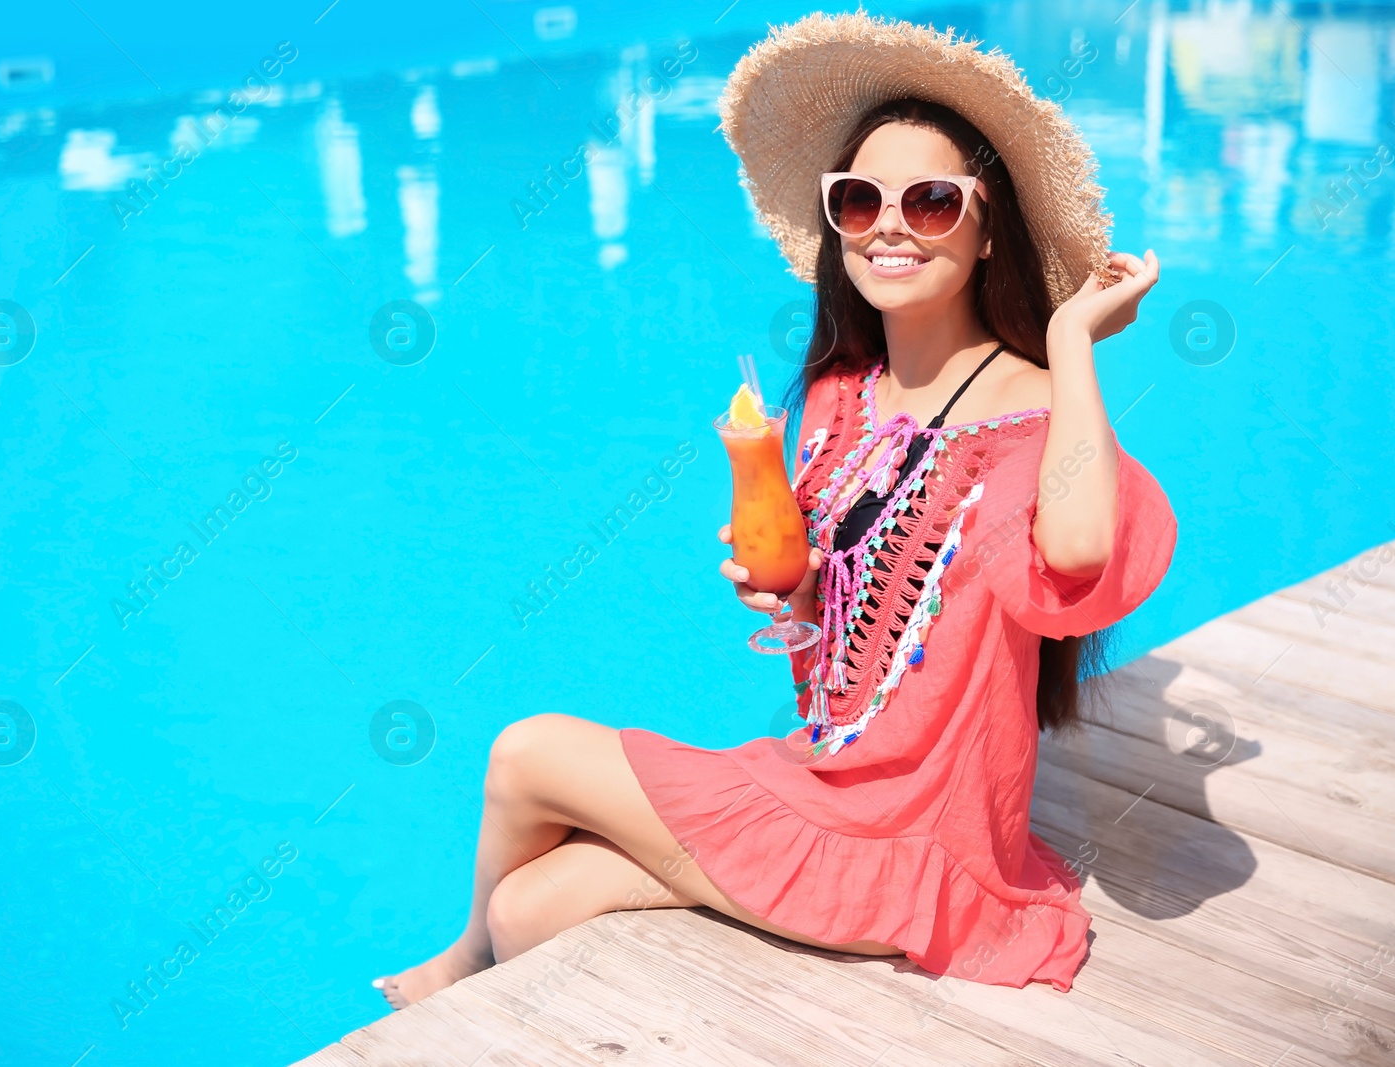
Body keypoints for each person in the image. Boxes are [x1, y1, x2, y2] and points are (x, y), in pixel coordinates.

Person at [373, 12, 1176, 1009]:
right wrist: (795, 588)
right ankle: (524, 947)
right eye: (858, 199)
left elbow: (1081, 548)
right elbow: (844, 643)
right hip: (826, 779)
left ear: (984, 228)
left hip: (914, 833)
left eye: (930, 201)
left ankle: (456, 966)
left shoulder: (1028, 412)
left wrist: (1069, 343)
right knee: (531, 906)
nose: (889, 224)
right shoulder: (843, 396)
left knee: (524, 748)